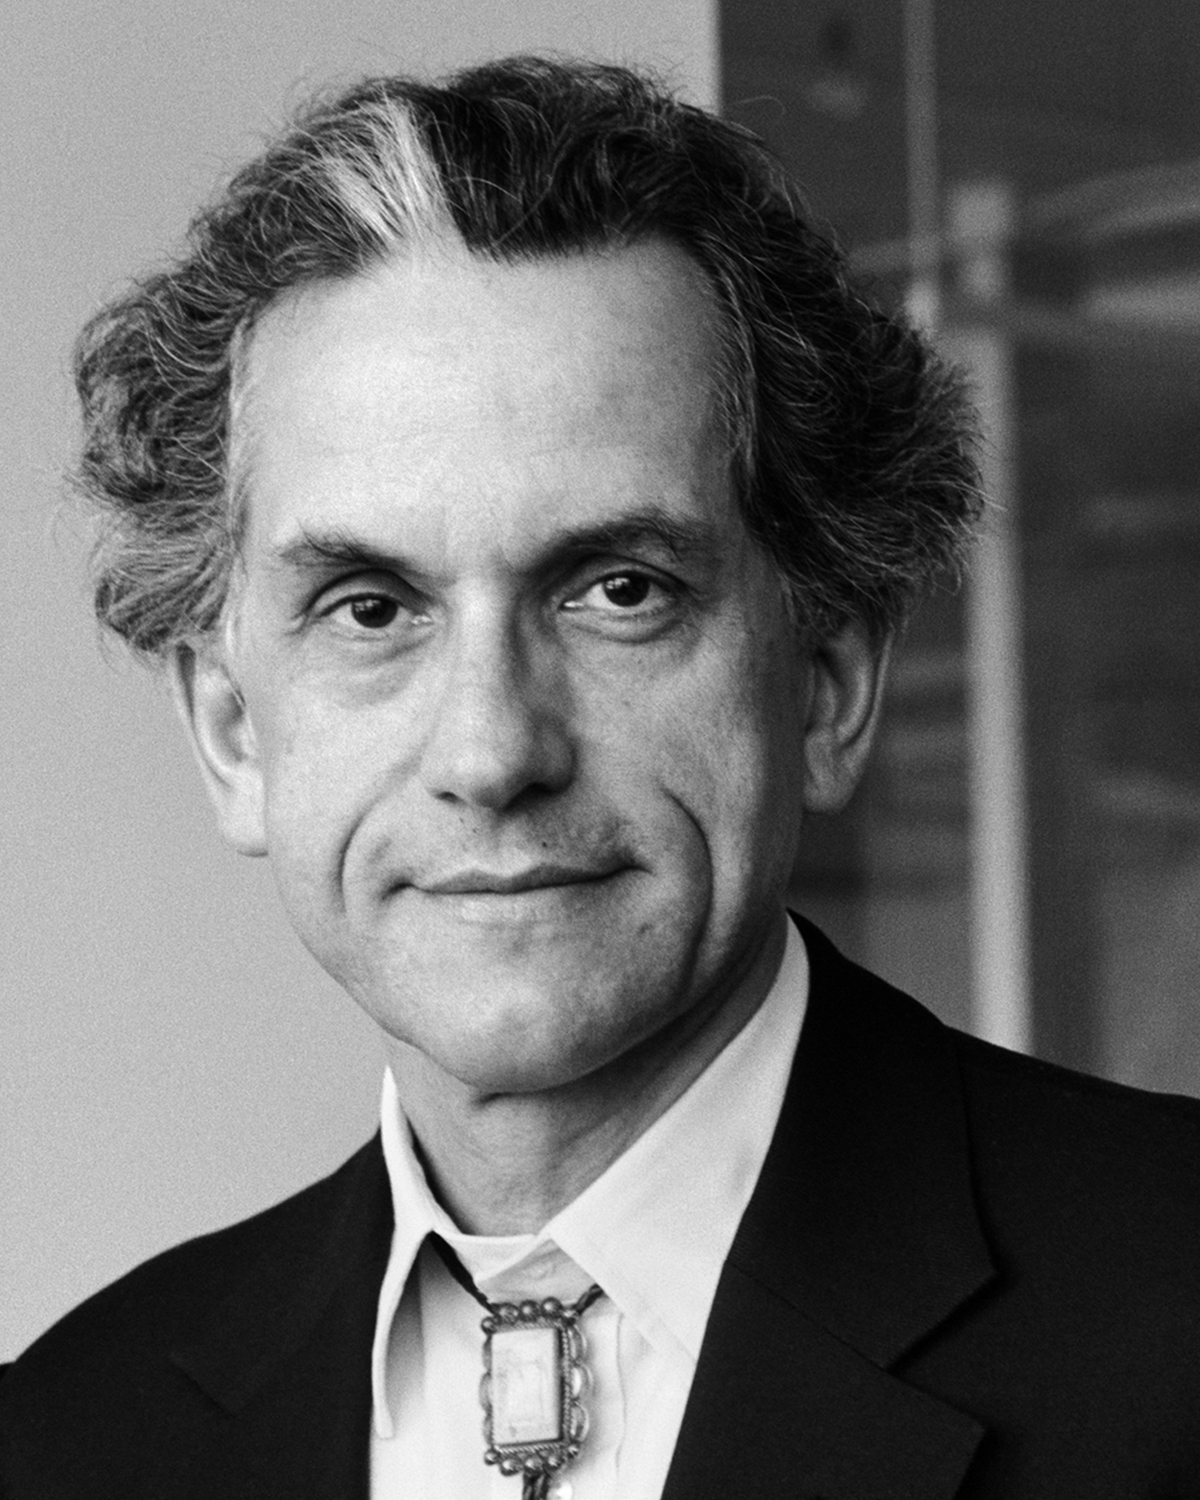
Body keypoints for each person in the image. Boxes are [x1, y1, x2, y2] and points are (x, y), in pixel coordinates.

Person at [3, 56, 1200, 1500]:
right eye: (372, 609)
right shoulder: (64, 1441)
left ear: (828, 680)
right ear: (233, 734)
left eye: (618, 590)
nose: (493, 753)